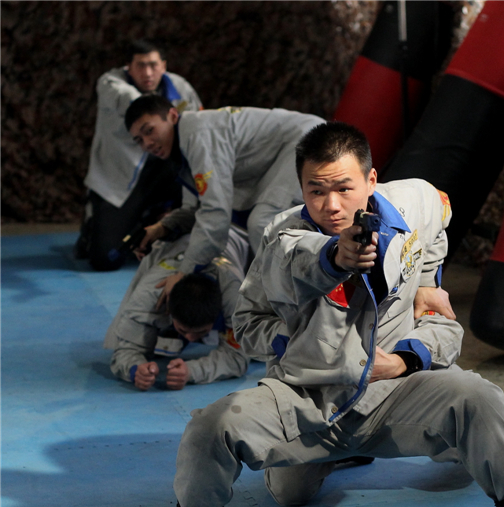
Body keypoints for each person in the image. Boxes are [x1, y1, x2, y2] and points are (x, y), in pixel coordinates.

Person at [122, 122, 504, 507]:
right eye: (316, 190)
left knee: (479, 398)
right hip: (306, 397)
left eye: (344, 187)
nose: (331, 204)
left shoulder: (416, 200)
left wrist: (424, 284)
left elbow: (441, 215)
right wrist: (298, 329)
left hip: (393, 390)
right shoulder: (282, 237)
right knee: (251, 460)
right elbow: (252, 317)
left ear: (372, 180)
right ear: (300, 187)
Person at [123, 94, 325, 303]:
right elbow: (197, 209)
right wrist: (161, 228)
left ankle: (301, 307)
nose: (147, 143)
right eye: (139, 140)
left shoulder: (197, 134)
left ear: (172, 116)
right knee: (262, 224)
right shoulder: (181, 152)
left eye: (149, 131)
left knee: (264, 224)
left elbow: (215, 214)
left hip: (310, 141)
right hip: (297, 143)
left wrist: (184, 273)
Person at [77, 39, 202, 271]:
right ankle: (96, 221)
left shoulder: (180, 87)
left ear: (163, 66)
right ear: (128, 67)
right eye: (140, 65)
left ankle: (163, 216)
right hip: (123, 180)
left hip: (167, 172)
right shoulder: (110, 84)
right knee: (105, 258)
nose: (147, 72)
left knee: (198, 178)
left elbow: (200, 124)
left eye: (153, 65)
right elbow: (135, 103)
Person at [103, 225, 250, 391]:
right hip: (176, 244)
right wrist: (136, 369)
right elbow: (126, 350)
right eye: (183, 330)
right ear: (169, 312)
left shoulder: (236, 298)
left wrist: (192, 371)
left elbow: (238, 358)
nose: (191, 338)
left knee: (262, 350)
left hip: (235, 239)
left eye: (201, 332)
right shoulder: (150, 294)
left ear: (218, 316)